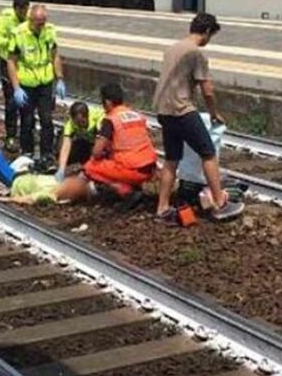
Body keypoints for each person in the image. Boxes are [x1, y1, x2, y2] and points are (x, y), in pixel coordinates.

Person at [153, 13, 240, 221]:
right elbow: (207, 90)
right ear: (208, 31)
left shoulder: (173, 48)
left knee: (172, 159)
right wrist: (213, 114)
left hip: (163, 110)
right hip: (182, 109)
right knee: (208, 152)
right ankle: (219, 203)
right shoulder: (196, 54)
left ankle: (162, 208)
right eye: (211, 36)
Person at [7, 4, 66, 171]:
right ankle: (28, 153)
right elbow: (11, 62)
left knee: (47, 119)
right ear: (30, 20)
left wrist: (59, 78)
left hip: (45, 83)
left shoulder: (49, 32)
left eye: (43, 22)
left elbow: (55, 56)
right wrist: (16, 87)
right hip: (26, 84)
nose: (42, 26)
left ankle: (47, 154)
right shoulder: (19, 34)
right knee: (27, 120)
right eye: (39, 23)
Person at [83, 84, 158, 201]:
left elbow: (96, 152)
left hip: (132, 170)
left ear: (107, 102)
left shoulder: (110, 119)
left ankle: (126, 190)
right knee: (115, 157)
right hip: (149, 168)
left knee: (90, 167)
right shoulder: (137, 115)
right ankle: (133, 186)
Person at [0, 140, 92, 204]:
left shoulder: (51, 194)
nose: (72, 180)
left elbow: (27, 199)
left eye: (74, 184)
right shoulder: (59, 181)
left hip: (10, 182)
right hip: (18, 174)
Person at [0, 0, 30, 151]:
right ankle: (11, 135)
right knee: (11, 103)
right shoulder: (5, 20)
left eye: (26, 10)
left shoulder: (28, 20)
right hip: (8, 64)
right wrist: (13, 42)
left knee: (27, 102)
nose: (24, 13)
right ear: (16, 8)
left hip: (24, 65)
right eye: (22, 10)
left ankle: (26, 134)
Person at [55, 101, 104, 181]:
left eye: (83, 122)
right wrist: (61, 169)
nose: (80, 125)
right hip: (87, 140)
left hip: (101, 143)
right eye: (77, 123)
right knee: (62, 143)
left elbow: (102, 142)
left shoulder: (98, 118)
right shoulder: (70, 124)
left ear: (87, 117)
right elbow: (66, 146)